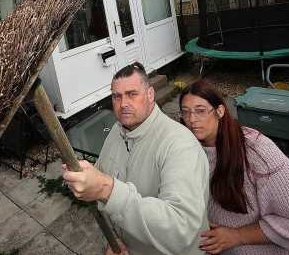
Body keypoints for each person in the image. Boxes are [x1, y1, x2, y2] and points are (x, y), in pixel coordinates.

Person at [62, 62, 210, 255]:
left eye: (132, 94)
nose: (123, 104)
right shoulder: (117, 131)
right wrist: (113, 239)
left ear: (150, 94)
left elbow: (181, 230)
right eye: (116, 96)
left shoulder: (180, 145)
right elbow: (102, 175)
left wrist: (107, 189)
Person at [179, 79, 289, 255]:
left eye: (200, 111)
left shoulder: (257, 151)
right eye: (185, 112)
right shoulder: (188, 147)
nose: (192, 120)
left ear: (219, 111)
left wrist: (237, 235)